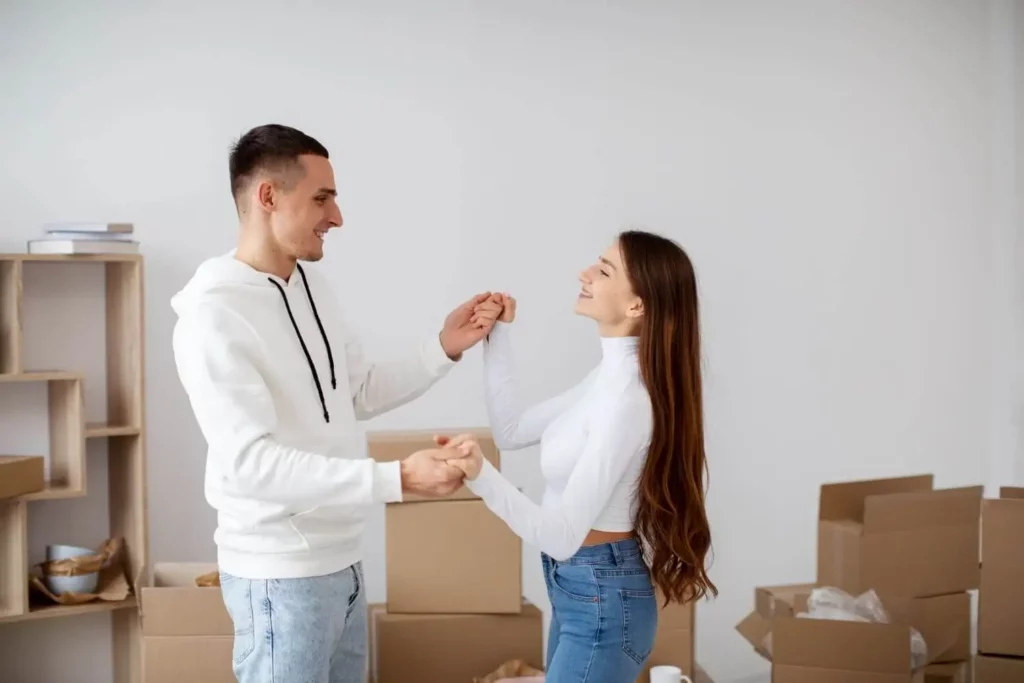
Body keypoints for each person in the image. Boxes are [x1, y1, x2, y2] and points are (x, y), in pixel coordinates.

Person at [170, 123, 497, 683]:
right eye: (322, 198)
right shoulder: (212, 314)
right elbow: (252, 465)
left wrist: (444, 347)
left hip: (342, 563)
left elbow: (355, 390)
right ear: (268, 197)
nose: (337, 217)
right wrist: (399, 480)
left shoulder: (313, 287)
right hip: (279, 578)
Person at [437, 230, 717, 683]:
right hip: (580, 590)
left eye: (604, 270)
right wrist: (497, 335)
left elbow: (564, 536)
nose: (584, 274)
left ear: (636, 306)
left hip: (602, 601)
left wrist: (480, 476)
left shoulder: (626, 400)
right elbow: (510, 431)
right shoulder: (606, 379)